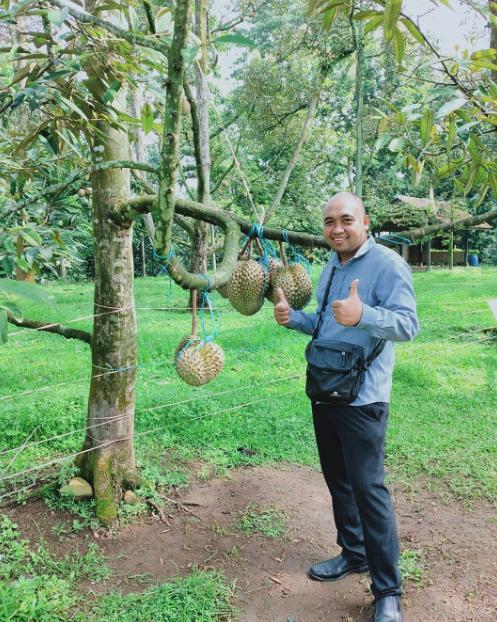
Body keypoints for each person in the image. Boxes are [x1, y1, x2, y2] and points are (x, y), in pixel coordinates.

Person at [273, 192, 419, 622]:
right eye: (329, 222)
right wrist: (292, 318)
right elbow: (324, 321)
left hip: (364, 399)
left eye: (346, 220)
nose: (337, 229)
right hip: (326, 390)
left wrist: (366, 315)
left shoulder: (388, 265)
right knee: (338, 481)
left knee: (369, 491)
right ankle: (352, 553)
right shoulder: (330, 268)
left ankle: (388, 591)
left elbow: (408, 325)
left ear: (365, 222)